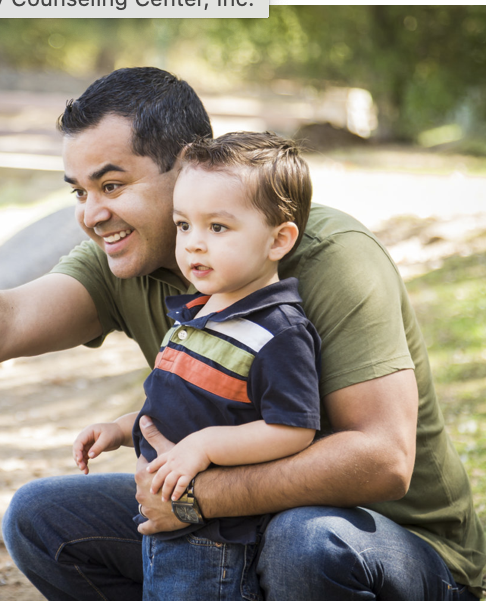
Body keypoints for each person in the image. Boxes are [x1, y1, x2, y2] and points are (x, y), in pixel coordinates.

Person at [0, 67, 486, 600]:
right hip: (232, 532)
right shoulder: (125, 260)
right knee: (40, 520)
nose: (91, 214)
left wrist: (197, 498)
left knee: (302, 543)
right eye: (78, 191)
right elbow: (6, 317)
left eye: (112, 184)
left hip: (390, 545)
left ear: (188, 165)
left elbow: (382, 459)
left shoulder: (323, 257)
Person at [71, 132, 322, 600]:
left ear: (278, 240)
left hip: (214, 537)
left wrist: (205, 447)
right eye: (184, 225)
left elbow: (294, 429)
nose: (194, 245)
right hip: (164, 520)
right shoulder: (197, 312)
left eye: (218, 228)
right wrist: (125, 428)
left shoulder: (277, 332)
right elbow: (184, 406)